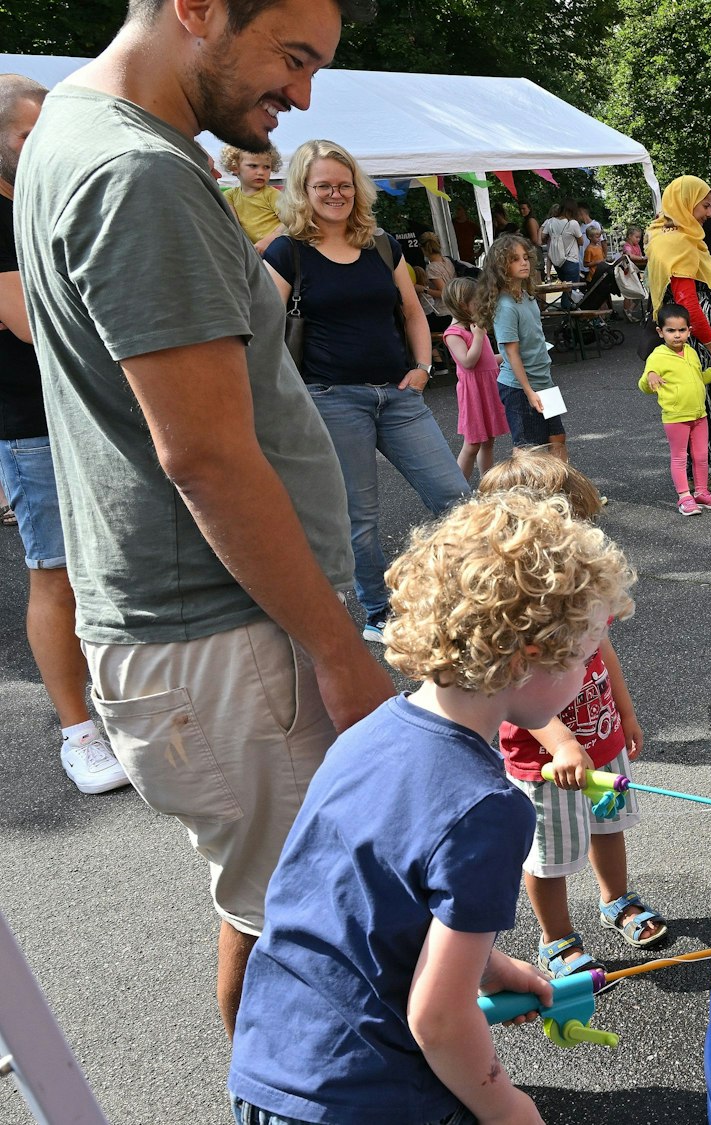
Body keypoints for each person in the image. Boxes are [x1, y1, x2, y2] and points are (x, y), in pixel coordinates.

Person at [14, 0, 392, 1033]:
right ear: (197, 9)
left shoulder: (75, 133)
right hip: (222, 634)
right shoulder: (137, 172)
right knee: (300, 927)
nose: (303, 95)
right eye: (292, 56)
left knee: (281, 904)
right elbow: (208, 457)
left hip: (203, 628)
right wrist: (339, 651)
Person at [228, 488, 633, 1124]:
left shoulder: (367, 735)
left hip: (269, 1068)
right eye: (584, 657)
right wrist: (504, 1106)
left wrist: (490, 967)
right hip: (369, 1098)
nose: (588, 674)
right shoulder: (489, 807)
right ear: (531, 656)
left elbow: (364, 904)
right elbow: (438, 1020)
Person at [263, 138, 471, 643]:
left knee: (456, 498)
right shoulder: (286, 250)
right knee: (359, 517)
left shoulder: (381, 244)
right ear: (302, 190)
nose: (335, 194)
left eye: (343, 184)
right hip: (332, 399)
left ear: (357, 187)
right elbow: (263, 331)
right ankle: (379, 613)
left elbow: (413, 311)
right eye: (323, 186)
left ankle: (471, 593)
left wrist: (423, 366)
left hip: (400, 395)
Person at [475, 453, 667, 980]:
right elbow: (514, 690)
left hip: (601, 742)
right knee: (548, 854)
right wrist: (561, 742)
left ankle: (616, 900)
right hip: (546, 765)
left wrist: (624, 714)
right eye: (572, 526)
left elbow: (603, 653)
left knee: (609, 827)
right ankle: (556, 937)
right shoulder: (515, 607)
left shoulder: (583, 587)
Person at [0, 74, 125, 796]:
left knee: (104, 566)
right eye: (28, 131)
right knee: (56, 573)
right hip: (31, 425)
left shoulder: (50, 202)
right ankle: (78, 731)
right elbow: (31, 323)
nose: (47, 142)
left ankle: (115, 710)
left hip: (89, 413)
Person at [647, 176, 711, 485]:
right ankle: (703, 472)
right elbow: (688, 304)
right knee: (700, 402)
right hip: (697, 340)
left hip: (701, 335)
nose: (709, 212)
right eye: (704, 205)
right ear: (685, 202)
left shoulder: (674, 235)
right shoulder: (675, 242)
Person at [481, 233, 567, 460]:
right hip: (519, 388)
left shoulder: (527, 297)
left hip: (543, 381)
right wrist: (529, 391)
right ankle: (526, 495)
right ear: (501, 265)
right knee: (528, 449)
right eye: (515, 259)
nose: (524, 262)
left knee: (557, 438)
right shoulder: (506, 306)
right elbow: (511, 354)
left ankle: (563, 490)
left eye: (525, 257)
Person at [641, 302, 711, 516]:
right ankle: (684, 497)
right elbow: (644, 385)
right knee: (680, 457)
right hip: (676, 416)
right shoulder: (657, 356)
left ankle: (701, 492)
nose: (677, 335)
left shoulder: (690, 352)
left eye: (682, 330)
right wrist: (650, 377)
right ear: (660, 332)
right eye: (671, 330)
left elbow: (699, 378)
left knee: (701, 456)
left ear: (689, 331)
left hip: (699, 414)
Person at [441, 278, 506, 484]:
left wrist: (507, 356)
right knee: (472, 443)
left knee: (488, 441)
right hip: (473, 392)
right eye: (476, 301)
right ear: (462, 304)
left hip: (487, 387)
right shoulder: (454, 333)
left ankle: (487, 484)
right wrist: (478, 336)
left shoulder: (473, 328)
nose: (481, 304)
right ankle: (456, 491)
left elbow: (486, 361)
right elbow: (468, 362)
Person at [220, 142, 283, 252]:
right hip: (252, 251)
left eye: (266, 167)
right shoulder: (230, 195)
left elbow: (291, 223)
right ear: (235, 167)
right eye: (253, 166)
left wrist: (268, 241)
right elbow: (234, 227)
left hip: (279, 247)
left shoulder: (272, 194)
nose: (261, 172)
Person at [417, 230, 455, 331]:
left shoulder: (432, 268)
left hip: (443, 311)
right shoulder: (447, 261)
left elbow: (443, 293)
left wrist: (423, 289)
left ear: (423, 249)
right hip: (455, 309)